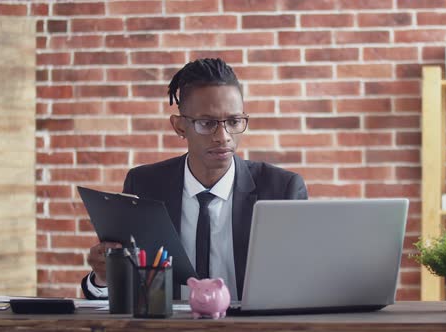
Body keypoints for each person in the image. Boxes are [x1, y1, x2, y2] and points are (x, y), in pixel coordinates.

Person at [81, 58, 308, 300]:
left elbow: (304, 283)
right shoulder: (144, 185)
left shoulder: (282, 189)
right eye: (206, 123)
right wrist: (103, 277)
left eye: (233, 121)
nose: (223, 136)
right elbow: (122, 293)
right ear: (179, 126)